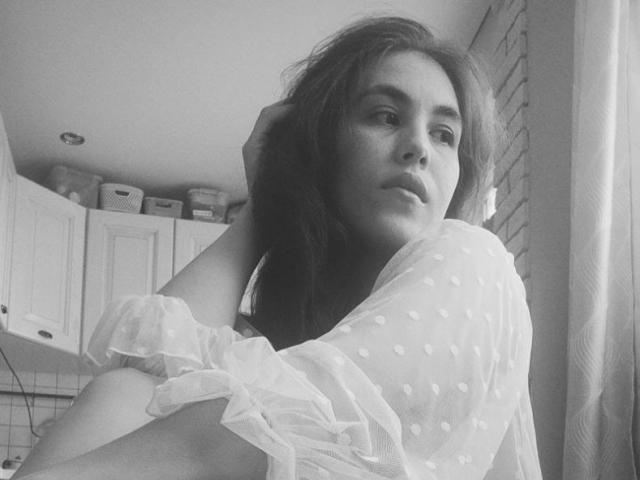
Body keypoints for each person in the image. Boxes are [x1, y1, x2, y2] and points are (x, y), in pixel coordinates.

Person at [15, 16, 542, 480]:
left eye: (445, 134)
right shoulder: (280, 363)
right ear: (320, 147)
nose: (419, 147)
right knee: (128, 390)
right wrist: (268, 201)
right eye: (385, 116)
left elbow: (212, 449)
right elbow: (143, 368)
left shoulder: (476, 261)